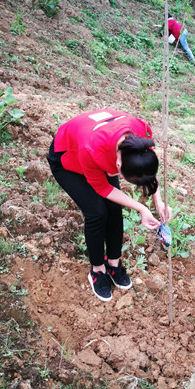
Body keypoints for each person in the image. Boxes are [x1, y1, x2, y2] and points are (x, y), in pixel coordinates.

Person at [47, 109, 172, 302]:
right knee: (97, 212)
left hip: (100, 149)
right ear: (119, 165)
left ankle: (114, 264)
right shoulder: (92, 149)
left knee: (114, 209)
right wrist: (141, 208)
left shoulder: (140, 135)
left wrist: (159, 201)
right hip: (67, 158)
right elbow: (103, 189)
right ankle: (97, 270)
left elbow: (147, 165)